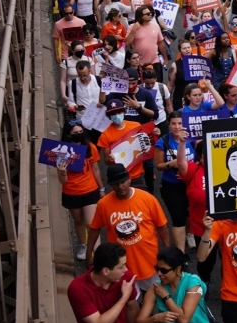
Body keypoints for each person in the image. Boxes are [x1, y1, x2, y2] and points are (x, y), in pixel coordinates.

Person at [87, 162, 170, 293]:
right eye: (116, 184)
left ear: (130, 179)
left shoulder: (148, 199)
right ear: (110, 185)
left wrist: (167, 250)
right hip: (120, 268)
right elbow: (94, 229)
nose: (120, 187)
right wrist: (89, 254)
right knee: (129, 303)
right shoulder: (103, 205)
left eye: (123, 182)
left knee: (154, 297)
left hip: (148, 262)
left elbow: (162, 226)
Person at [133, 247, 213, 323]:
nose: (159, 274)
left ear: (178, 269)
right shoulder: (154, 289)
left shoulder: (193, 283)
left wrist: (166, 297)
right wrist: (156, 318)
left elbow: (184, 320)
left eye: (164, 270)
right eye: (157, 269)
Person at [67, 243, 139, 323]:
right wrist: (123, 298)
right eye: (121, 267)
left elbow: (132, 308)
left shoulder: (125, 277)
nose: (125, 270)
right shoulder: (77, 288)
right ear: (105, 270)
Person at [57, 121, 104, 260]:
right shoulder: (62, 152)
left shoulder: (90, 147)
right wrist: (62, 171)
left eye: (80, 132)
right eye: (75, 133)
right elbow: (63, 181)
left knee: (91, 223)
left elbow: (95, 169)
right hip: (71, 192)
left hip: (90, 190)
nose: (79, 135)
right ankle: (83, 244)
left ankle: (98, 252)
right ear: (68, 135)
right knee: (78, 221)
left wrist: (101, 188)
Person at [154, 111, 196, 253]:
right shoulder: (163, 141)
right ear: (169, 125)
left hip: (190, 183)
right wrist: (170, 164)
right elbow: (158, 166)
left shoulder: (192, 139)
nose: (177, 127)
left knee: (190, 213)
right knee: (178, 218)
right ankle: (180, 252)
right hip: (171, 185)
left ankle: (189, 234)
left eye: (180, 123)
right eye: (173, 124)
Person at [96, 99, 150, 190]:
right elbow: (107, 161)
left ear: (124, 111)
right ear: (109, 116)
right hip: (120, 178)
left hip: (137, 175)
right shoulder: (105, 135)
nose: (116, 115)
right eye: (113, 113)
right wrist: (110, 159)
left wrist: (154, 133)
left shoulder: (136, 126)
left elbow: (146, 144)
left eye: (119, 111)